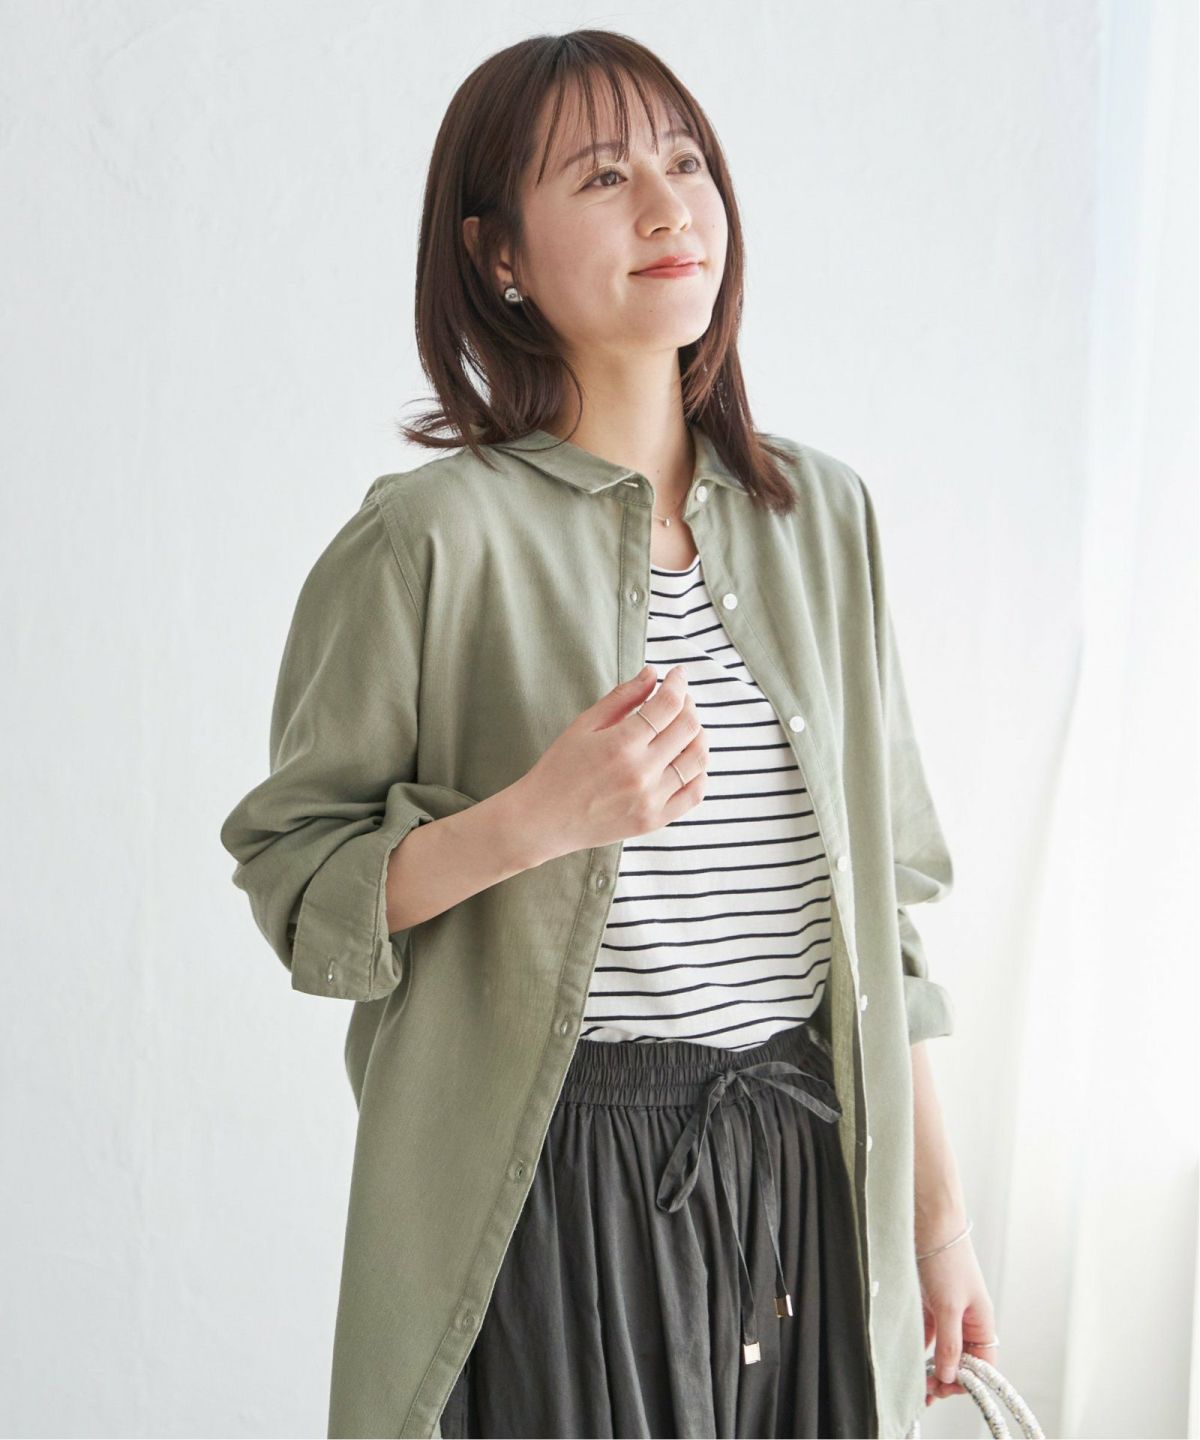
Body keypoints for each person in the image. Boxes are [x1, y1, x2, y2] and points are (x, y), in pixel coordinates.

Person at [219, 28, 999, 1440]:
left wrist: (937, 1227)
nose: (667, 206)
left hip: (809, 1165)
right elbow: (297, 880)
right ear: (497, 255)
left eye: (686, 162)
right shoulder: (426, 541)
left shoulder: (822, 517)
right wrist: (537, 818)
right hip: (555, 1179)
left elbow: (880, 920)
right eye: (601, 176)